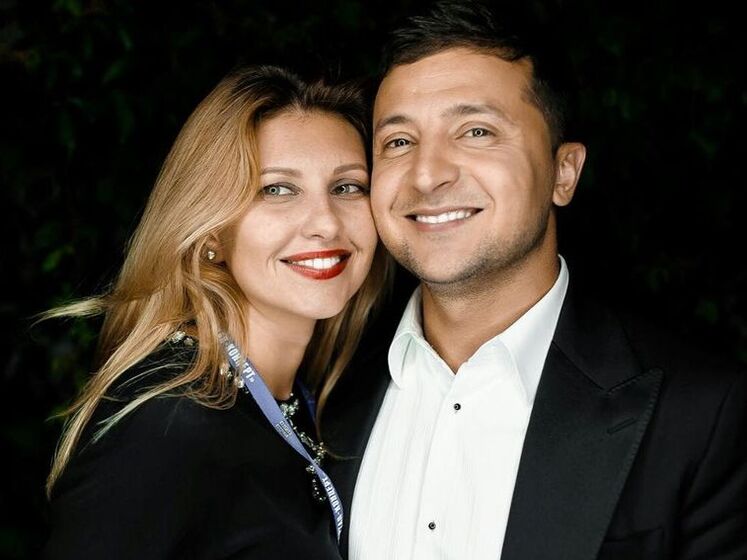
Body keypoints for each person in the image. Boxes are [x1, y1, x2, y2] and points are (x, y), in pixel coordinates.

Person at [321, 2, 747, 559]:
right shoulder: (322, 386)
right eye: (399, 142)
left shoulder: (701, 414)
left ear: (563, 173)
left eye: (476, 131)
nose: (426, 175)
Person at [42, 65, 391, 559]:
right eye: (277, 189)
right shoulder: (167, 425)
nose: (326, 224)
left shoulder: (312, 398)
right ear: (211, 233)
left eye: (348, 187)